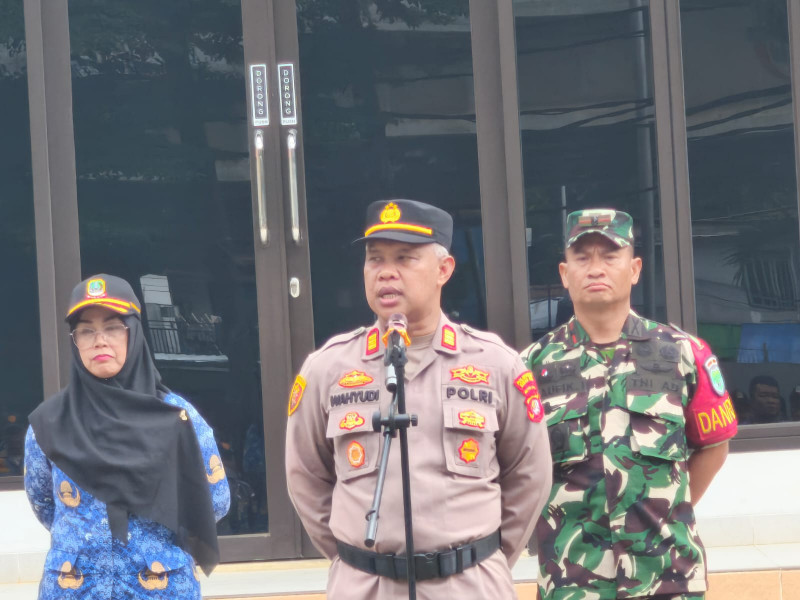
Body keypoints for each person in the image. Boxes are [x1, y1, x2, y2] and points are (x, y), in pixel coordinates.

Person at [285, 199, 552, 599]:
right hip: (366, 586)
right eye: (375, 259)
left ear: (444, 269)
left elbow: (530, 476)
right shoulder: (327, 369)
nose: (386, 272)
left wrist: (479, 559)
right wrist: (359, 560)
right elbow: (305, 477)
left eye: (405, 258)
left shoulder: (496, 364)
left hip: (468, 586)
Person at [521, 209, 737, 600]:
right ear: (565, 274)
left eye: (610, 256)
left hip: (667, 577)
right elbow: (514, 466)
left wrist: (667, 508)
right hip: (572, 582)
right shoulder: (531, 367)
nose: (595, 269)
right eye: (582, 258)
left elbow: (714, 446)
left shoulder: (683, 354)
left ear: (634, 269)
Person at [25, 274, 230, 599]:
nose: (99, 341)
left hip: (160, 588)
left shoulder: (176, 418)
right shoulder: (49, 422)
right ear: (74, 341)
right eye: (86, 331)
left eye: (112, 327)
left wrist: (153, 542)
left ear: (133, 333)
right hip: (74, 589)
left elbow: (215, 500)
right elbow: (43, 503)